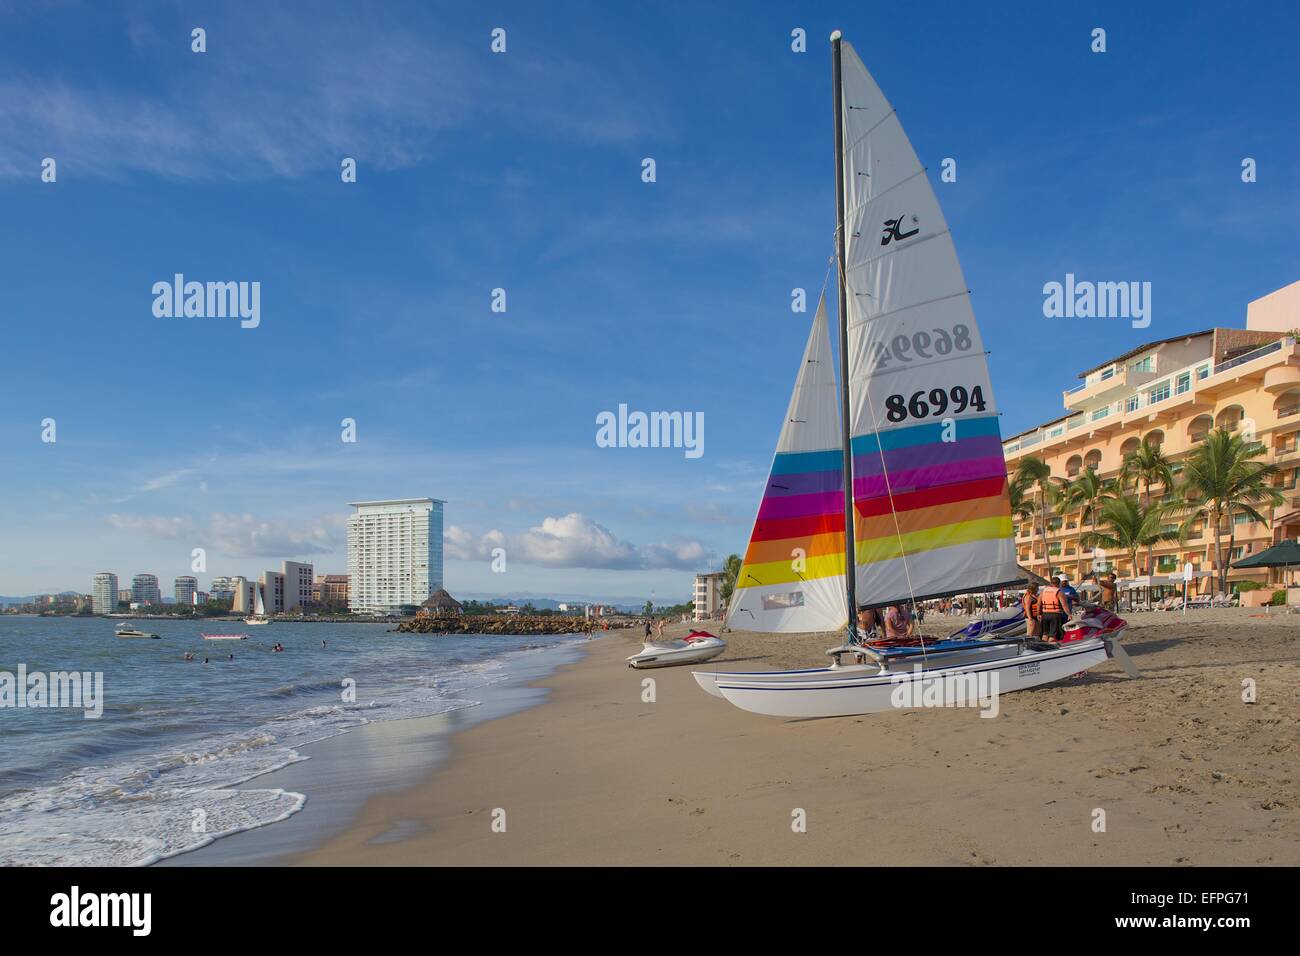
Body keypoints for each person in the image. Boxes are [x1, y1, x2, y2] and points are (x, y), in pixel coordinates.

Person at [1039, 577, 1067, 642]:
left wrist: (1038, 614)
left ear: (1051, 583)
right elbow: (1064, 605)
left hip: (1045, 614)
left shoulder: (1044, 591)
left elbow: (1038, 603)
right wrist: (1069, 614)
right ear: (1059, 583)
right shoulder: (1059, 592)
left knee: (1045, 634)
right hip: (1055, 614)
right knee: (1052, 635)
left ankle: (1043, 648)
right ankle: (1051, 649)